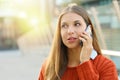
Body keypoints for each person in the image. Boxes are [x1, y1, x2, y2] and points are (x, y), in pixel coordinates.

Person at [38, 3, 118, 80]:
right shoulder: (49, 66)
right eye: (64, 26)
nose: (70, 31)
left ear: (89, 30)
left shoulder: (106, 66)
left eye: (77, 24)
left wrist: (85, 63)